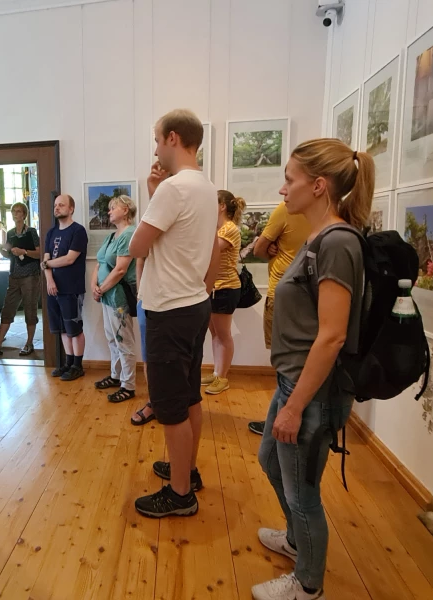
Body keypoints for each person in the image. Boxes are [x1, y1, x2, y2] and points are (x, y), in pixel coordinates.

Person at [252, 139, 374, 600]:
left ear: (318, 186)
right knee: (269, 461)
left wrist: (295, 407)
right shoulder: (319, 238)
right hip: (295, 382)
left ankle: (308, 585)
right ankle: (297, 541)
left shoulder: (338, 242)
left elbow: (332, 336)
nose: (283, 189)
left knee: (303, 492)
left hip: (312, 391)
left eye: (290, 178)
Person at [129, 109, 221, 519]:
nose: (154, 148)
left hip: (169, 308)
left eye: (156, 140)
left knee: (169, 405)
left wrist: (156, 192)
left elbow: (137, 246)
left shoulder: (173, 189)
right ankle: (189, 470)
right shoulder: (205, 186)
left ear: (171, 138)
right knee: (189, 396)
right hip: (194, 304)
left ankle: (181, 493)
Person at [247, 201, 311, 436]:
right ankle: (294, 417)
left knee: (284, 364)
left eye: (290, 180)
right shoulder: (329, 214)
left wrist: (270, 246)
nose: (284, 190)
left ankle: (282, 419)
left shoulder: (285, 209)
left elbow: (258, 250)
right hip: (310, 298)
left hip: (282, 294)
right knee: (299, 362)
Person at [0, 202, 41, 357]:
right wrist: (2, 250)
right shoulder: (11, 233)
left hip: (30, 275)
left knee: (30, 308)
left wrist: (24, 251)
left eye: (19, 211)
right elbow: (9, 254)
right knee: (8, 308)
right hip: (14, 275)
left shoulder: (32, 232)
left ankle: (29, 343)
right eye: (13, 211)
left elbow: (39, 253)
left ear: (24, 215)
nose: (15, 214)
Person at [91, 195, 138, 402]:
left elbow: (120, 270)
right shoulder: (112, 236)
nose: (109, 211)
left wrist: (100, 289)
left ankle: (128, 386)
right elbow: (99, 263)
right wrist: (94, 285)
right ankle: (116, 375)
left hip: (118, 297)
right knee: (112, 338)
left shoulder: (128, 234)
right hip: (107, 296)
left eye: (113, 208)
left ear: (126, 209)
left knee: (123, 340)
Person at [202, 191, 245, 395]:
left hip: (226, 288)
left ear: (222, 207)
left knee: (223, 335)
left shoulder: (229, 229)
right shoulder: (218, 228)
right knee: (215, 334)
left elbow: (209, 251)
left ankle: (223, 376)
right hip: (214, 288)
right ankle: (217, 372)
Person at [42, 194, 88, 381]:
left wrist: (47, 264)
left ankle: (78, 365)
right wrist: (49, 281)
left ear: (71, 209)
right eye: (55, 205)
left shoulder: (78, 231)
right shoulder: (51, 233)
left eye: (61, 205)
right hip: (53, 289)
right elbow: (45, 260)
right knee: (61, 328)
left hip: (71, 288)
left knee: (73, 327)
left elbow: (70, 259)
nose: (57, 208)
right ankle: (68, 363)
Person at [130, 256, 156, 426]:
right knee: (149, 355)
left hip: (180, 301)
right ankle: (153, 402)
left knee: (178, 356)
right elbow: (140, 258)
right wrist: (141, 296)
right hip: (149, 300)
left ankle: (176, 402)